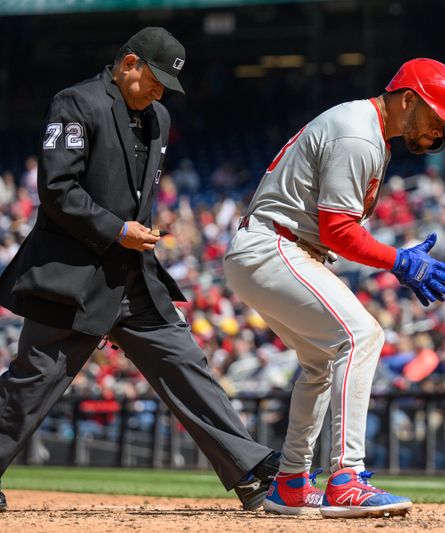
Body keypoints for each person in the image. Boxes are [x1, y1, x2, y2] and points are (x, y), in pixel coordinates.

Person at [0, 27, 279, 513]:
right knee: (35, 381)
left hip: (133, 277)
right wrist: (117, 228)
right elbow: (57, 189)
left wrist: (138, 234)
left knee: (185, 363)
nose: (158, 93)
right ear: (129, 63)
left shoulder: (159, 117)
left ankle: (250, 472)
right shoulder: (76, 103)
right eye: (153, 80)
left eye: (166, 88)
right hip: (73, 275)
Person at [224, 58, 445, 517]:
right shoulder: (359, 132)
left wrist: (398, 260)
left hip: (274, 247)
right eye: (437, 117)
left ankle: (292, 482)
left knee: (319, 362)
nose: (440, 132)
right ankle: (346, 479)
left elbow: (336, 231)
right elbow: (337, 230)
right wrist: (399, 261)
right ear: (408, 99)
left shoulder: (368, 132)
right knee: (362, 335)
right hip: (274, 247)